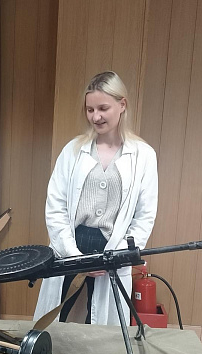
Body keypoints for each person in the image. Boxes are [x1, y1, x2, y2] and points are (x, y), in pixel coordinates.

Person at [33, 71, 158, 326]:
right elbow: (55, 206)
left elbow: (145, 215)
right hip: (71, 245)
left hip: (112, 247)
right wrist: (73, 254)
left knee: (102, 328)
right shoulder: (73, 151)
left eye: (103, 108)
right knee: (55, 321)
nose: (95, 117)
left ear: (122, 105)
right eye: (90, 110)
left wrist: (119, 254)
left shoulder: (143, 155)